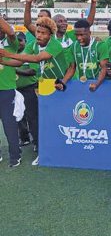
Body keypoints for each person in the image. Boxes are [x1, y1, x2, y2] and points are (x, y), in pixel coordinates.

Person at [24, 0, 98, 47]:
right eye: (60, 21)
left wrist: (94, 3)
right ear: (53, 24)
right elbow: (28, 24)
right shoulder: (47, 36)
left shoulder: (71, 35)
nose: (64, 23)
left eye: (65, 21)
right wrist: (28, 3)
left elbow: (88, 23)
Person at [0, 17, 69, 81]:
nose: (39, 35)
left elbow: (37, 58)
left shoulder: (55, 44)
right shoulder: (33, 44)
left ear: (50, 35)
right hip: (46, 82)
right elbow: (19, 62)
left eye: (43, 33)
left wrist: (8, 54)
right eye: (38, 32)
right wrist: (2, 61)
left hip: (63, 81)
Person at [55, 20, 109, 92]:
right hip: (81, 84)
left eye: (82, 35)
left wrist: (96, 84)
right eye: (76, 35)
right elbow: (72, 68)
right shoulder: (73, 46)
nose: (79, 38)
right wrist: (63, 83)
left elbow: (104, 68)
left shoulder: (100, 45)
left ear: (89, 33)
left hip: (99, 85)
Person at [15, 32, 39, 165]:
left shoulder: (29, 52)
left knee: (32, 117)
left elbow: (33, 71)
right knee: (18, 117)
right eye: (16, 41)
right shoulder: (10, 53)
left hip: (29, 88)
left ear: (25, 41)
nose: (19, 43)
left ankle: (37, 142)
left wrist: (16, 71)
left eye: (21, 40)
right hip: (14, 89)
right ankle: (24, 138)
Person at [0, 16, 22, 167]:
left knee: (9, 125)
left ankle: (15, 155)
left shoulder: (10, 44)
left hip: (6, 90)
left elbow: (11, 32)